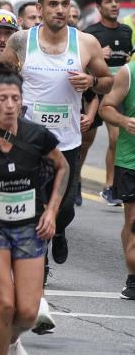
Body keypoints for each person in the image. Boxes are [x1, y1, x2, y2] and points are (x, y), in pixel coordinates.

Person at [0, 0, 112, 268]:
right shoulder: (21, 41)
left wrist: (92, 81)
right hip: (28, 142)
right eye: (53, 4)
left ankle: (59, 229)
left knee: (63, 210)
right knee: (32, 205)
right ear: (40, 8)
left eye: (65, 4)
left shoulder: (85, 43)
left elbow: (108, 82)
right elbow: (1, 79)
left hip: (67, 142)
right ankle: (40, 259)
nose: (60, 10)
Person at [0, 61, 68, 355]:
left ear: (23, 100)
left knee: (27, 313)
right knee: (5, 304)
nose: (9, 105)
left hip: (30, 226)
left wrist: (51, 211)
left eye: (15, 98)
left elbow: (63, 167)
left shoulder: (37, 136)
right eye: (2, 99)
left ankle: (9, 339)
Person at [83, 0, 132, 206]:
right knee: (86, 141)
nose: (114, 5)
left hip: (117, 94)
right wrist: (97, 56)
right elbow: (82, 62)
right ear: (99, 7)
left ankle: (110, 186)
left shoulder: (126, 31)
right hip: (94, 92)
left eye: (116, 1)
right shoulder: (91, 33)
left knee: (114, 139)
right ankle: (74, 182)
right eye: (108, 2)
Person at [98, 56, 135, 300]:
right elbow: (106, 107)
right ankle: (133, 278)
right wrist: (124, 121)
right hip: (131, 160)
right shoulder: (129, 72)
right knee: (133, 221)